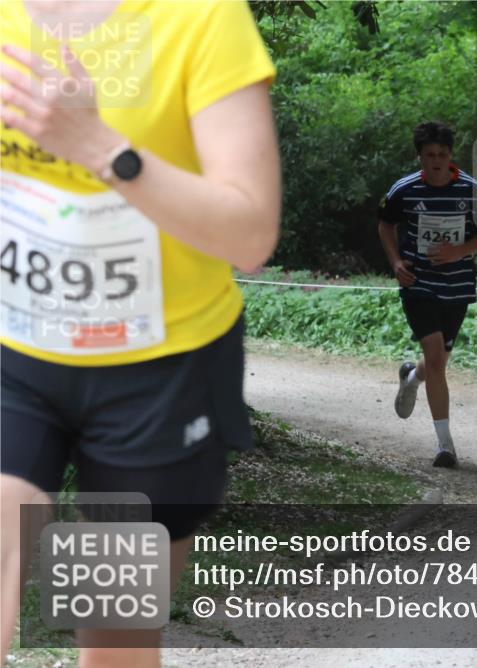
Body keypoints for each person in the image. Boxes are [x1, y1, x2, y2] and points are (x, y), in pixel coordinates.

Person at [0, 0, 279, 663]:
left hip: (161, 375)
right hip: (15, 351)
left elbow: (250, 234)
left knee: (113, 636)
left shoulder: (201, 17)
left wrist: (99, 147)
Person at [377, 122, 477, 468]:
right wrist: (396, 262)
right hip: (418, 283)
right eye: (430, 155)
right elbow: (385, 224)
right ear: (420, 157)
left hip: (456, 286)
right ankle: (446, 446)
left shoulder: (471, 189)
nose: (437, 161)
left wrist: (458, 251)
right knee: (436, 357)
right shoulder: (404, 189)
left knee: (438, 360)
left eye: (442, 154)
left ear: (451, 155)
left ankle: (412, 378)